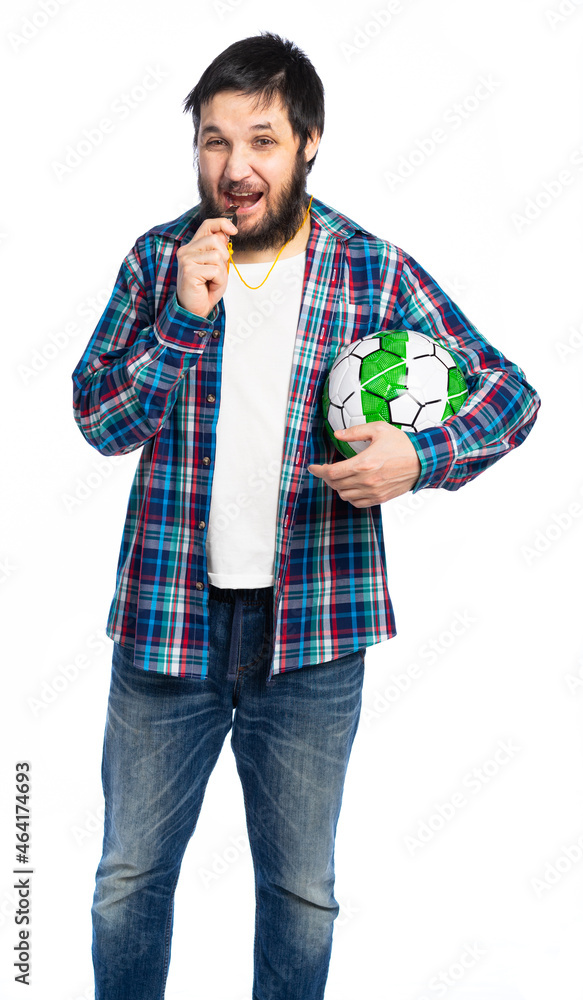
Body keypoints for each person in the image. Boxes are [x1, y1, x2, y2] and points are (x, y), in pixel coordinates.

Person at [71, 31, 541, 1000]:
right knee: (126, 882)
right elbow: (97, 417)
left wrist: (421, 455)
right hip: (170, 627)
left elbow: (509, 392)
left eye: (262, 140)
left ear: (310, 142)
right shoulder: (159, 262)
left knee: (300, 893)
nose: (234, 168)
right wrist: (183, 320)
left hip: (313, 639)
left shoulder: (369, 269)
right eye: (212, 141)